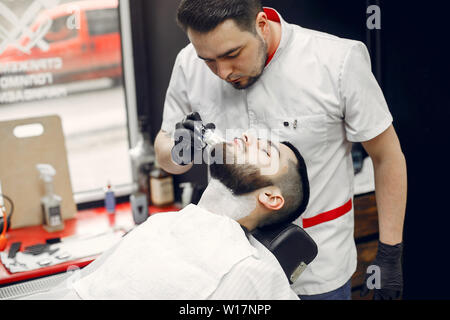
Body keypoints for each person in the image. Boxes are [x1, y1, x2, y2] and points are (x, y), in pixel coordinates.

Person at [154, 0, 407, 299]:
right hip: (229, 272)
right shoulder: (188, 64)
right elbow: (164, 149)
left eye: (231, 54)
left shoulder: (337, 61)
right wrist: (179, 151)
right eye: (208, 60)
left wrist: (390, 252)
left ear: (261, 25)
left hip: (315, 271)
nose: (222, 72)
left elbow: (386, 155)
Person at [23, 133, 310, 300]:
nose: (249, 137)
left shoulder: (249, 270)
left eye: (265, 151)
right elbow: (80, 288)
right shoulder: (161, 223)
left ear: (271, 198)